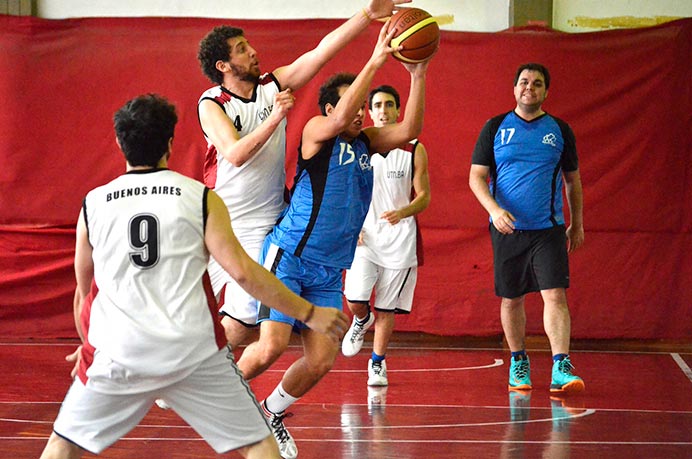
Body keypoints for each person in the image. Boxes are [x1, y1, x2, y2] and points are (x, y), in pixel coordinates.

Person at [39, 94, 348, 459]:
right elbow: (245, 274)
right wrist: (310, 313)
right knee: (260, 447)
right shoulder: (200, 197)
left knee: (62, 445)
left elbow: (83, 292)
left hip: (118, 351)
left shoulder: (94, 204)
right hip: (193, 352)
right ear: (170, 143)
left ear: (119, 143)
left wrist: (88, 345)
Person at [235, 21, 431, 459]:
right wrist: (377, 58)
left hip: (327, 270)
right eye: (354, 104)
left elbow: (409, 128)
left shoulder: (367, 144)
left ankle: (271, 413)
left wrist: (417, 73)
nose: (361, 113)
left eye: (364, 107)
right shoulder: (315, 133)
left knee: (323, 360)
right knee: (270, 346)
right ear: (328, 107)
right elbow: (340, 118)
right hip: (290, 256)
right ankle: (219, 402)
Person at [196, 0, 411, 351]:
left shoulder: (271, 84)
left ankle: (204, 375)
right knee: (184, 303)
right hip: (221, 216)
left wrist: (367, 16)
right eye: (241, 50)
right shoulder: (212, 103)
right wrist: (275, 117)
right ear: (223, 66)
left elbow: (320, 54)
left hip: (264, 221)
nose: (252, 52)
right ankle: (180, 365)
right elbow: (234, 154)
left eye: (248, 45)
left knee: (249, 312)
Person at [468, 63, 585, 394]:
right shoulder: (495, 127)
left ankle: (561, 365)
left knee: (555, 294)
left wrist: (577, 222)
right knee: (511, 298)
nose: (529, 87)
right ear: (514, 89)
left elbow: (572, 181)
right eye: (523, 82)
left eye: (537, 83)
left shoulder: (559, 130)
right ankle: (519, 362)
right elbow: (476, 177)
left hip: (548, 229)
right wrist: (494, 210)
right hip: (507, 230)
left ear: (546, 91)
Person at [340, 84, 431, 388]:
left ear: (397, 110)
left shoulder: (414, 148)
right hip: (364, 236)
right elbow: (344, 193)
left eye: (388, 105)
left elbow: (424, 196)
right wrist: (350, 227)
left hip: (399, 236)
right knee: (355, 299)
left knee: (386, 308)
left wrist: (403, 213)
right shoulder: (356, 145)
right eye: (376, 105)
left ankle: (377, 362)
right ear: (369, 111)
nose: (382, 110)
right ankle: (360, 320)